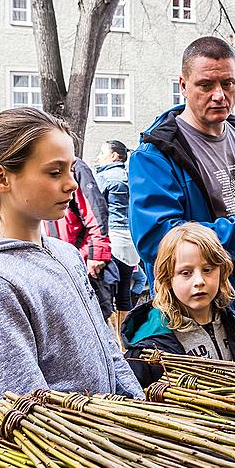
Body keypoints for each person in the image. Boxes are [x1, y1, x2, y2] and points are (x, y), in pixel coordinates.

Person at [0, 107, 143, 406]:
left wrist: (137, 407)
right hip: (74, 447)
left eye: (71, 169)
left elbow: (109, 347)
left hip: (115, 432)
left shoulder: (67, 254)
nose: (71, 183)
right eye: (55, 172)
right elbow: (31, 407)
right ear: (1, 178)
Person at [129, 36, 235, 367]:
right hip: (213, 316)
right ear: (183, 85)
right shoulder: (158, 153)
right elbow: (159, 240)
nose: (219, 94)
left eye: (227, 83)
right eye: (206, 84)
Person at [122, 223, 235, 387]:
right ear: (167, 279)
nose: (199, 281)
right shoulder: (147, 350)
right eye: (186, 273)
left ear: (222, 272)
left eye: (208, 269)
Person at [44, 158, 114, 319]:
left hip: (80, 259)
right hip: (52, 262)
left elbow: (95, 210)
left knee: (92, 318)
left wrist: (97, 253)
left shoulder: (75, 166)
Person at [94, 139, 140, 330]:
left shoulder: (105, 177)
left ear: (114, 156)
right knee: (124, 295)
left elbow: (96, 208)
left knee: (106, 294)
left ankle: (112, 340)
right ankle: (125, 341)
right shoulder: (131, 176)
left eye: (102, 153)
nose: (98, 157)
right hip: (130, 241)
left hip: (112, 238)